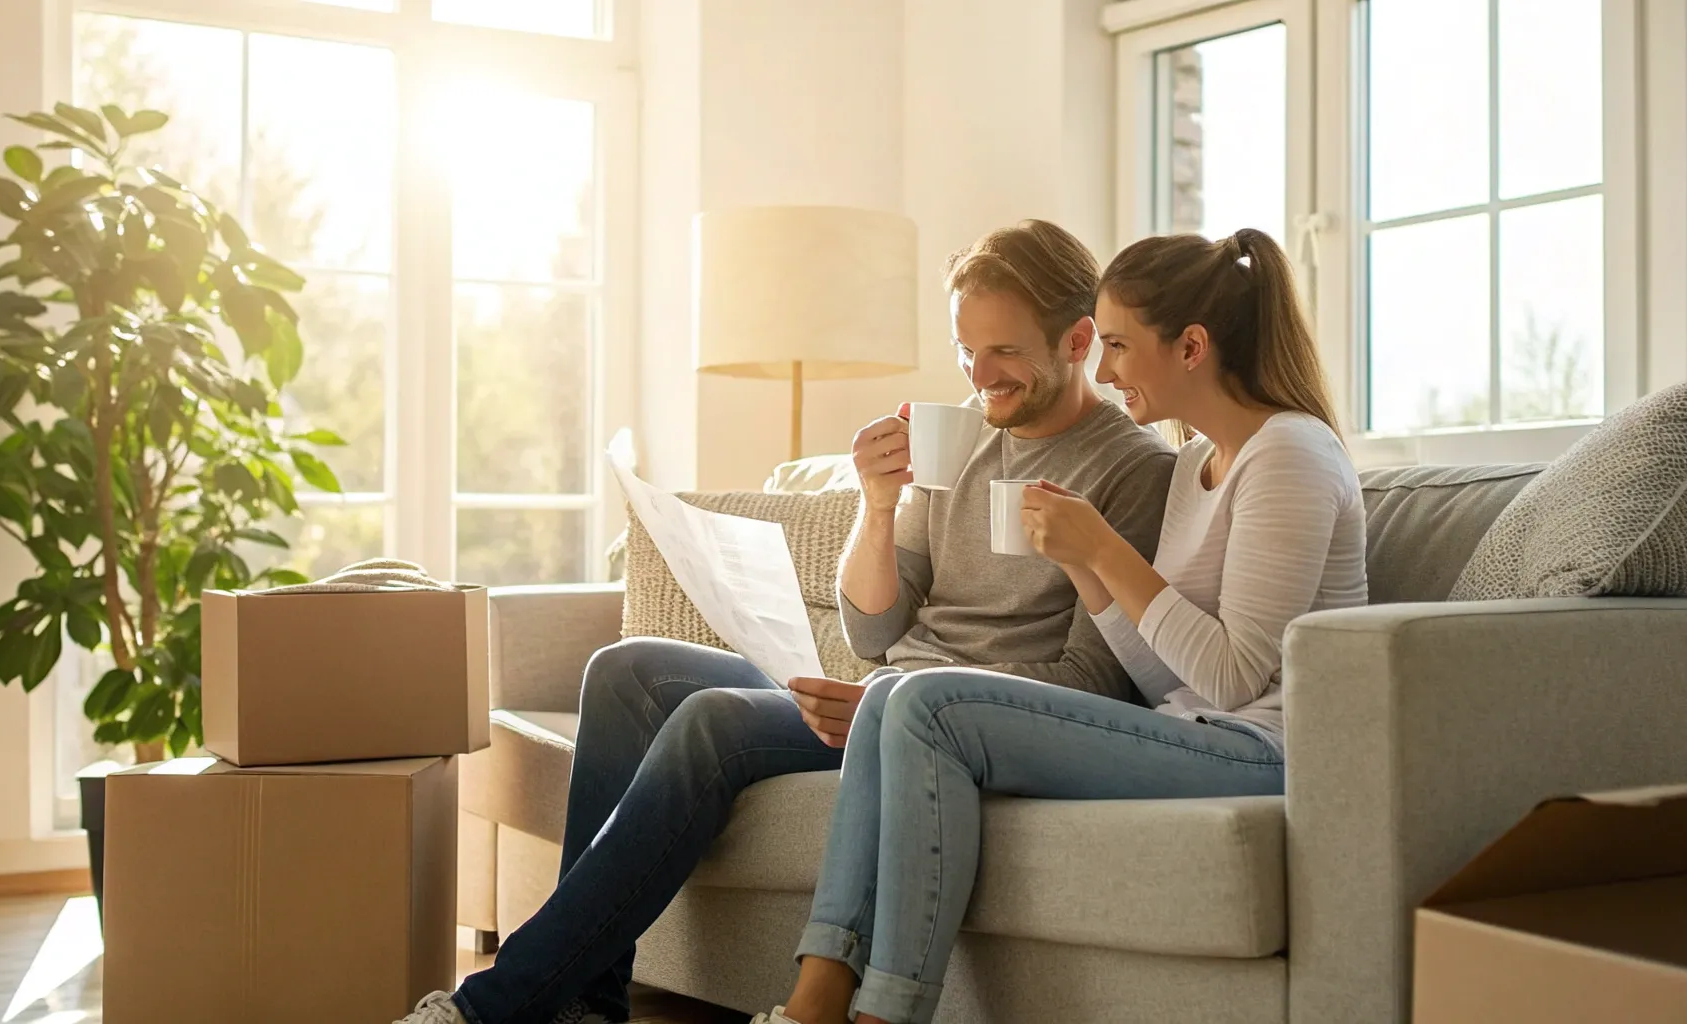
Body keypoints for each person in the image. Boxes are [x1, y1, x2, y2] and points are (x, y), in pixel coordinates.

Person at [397, 219, 1176, 1024]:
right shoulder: (959, 443)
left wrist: (894, 701)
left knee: (712, 722)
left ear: (1078, 339)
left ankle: (492, 1008)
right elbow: (874, 633)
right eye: (964, 352)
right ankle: (589, 1003)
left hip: (941, 726)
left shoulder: (1134, 471)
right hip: (881, 689)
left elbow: (1092, 683)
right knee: (627, 670)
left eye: (1004, 352)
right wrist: (878, 507)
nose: (981, 376)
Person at [753, 229, 1369, 1024]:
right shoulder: (1196, 463)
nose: (1106, 371)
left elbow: (1235, 677)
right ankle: (817, 1002)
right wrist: (1084, 562)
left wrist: (1106, 551)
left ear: (1190, 347)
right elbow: (1164, 678)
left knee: (923, 702)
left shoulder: (1288, 453)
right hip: (1194, 728)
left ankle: (881, 1015)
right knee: (894, 695)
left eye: (1116, 345)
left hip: (1268, 755)